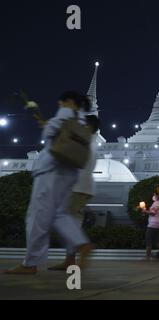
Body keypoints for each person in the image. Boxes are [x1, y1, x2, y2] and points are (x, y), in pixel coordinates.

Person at [5, 91, 94, 275]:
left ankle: (30, 263)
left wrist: (46, 124)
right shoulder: (83, 119)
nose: (60, 105)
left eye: (61, 102)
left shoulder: (66, 113)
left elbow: (50, 132)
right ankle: (81, 243)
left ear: (68, 101)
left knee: (37, 216)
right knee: (58, 214)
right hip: (70, 171)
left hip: (52, 169)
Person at [48, 115, 100, 271]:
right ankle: (70, 259)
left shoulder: (85, 142)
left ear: (88, 127)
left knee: (60, 218)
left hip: (76, 187)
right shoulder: (91, 143)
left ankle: (83, 245)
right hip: (83, 188)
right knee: (72, 223)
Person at [143, 190, 159, 260]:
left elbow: (153, 213)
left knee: (148, 240)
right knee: (158, 241)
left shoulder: (156, 203)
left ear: (156, 196)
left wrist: (145, 211)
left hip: (152, 225)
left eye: (154, 195)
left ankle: (147, 257)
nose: (153, 196)